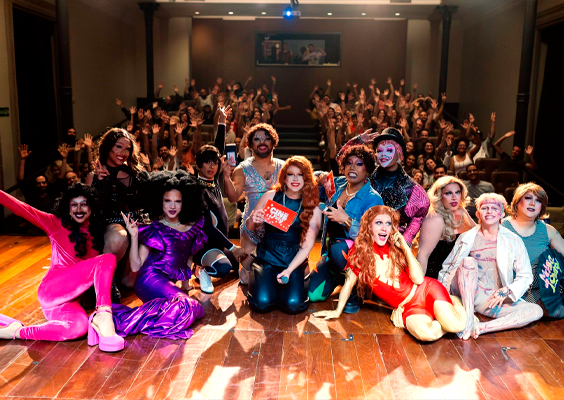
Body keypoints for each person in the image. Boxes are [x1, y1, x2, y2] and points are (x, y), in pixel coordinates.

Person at [314, 206, 467, 342]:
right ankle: (441, 314)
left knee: (456, 325)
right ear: (368, 226)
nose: (384, 228)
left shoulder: (395, 247)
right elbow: (349, 283)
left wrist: (405, 249)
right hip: (406, 307)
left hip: (426, 290)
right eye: (379, 223)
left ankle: (455, 302)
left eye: (388, 223)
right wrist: (337, 311)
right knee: (425, 334)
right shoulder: (359, 253)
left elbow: (419, 279)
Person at [0, 184, 123, 352]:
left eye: (84, 204)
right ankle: (104, 315)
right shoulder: (56, 223)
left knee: (78, 327)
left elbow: (89, 273)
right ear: (68, 207)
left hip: (68, 301)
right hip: (52, 290)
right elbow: (22, 209)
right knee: (107, 258)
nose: (79, 209)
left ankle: (16, 331)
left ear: (91, 207)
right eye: (74, 204)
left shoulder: (96, 233)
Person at [114, 170, 208, 339]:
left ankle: (158, 308)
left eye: (177, 201)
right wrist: (134, 236)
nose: (172, 206)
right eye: (167, 201)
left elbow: (188, 257)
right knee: (187, 306)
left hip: (168, 283)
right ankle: (128, 320)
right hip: (149, 280)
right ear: (159, 201)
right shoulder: (154, 229)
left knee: (197, 309)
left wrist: (186, 285)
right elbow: (136, 266)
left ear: (185, 202)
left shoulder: (191, 227)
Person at [439, 193, 543, 339]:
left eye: (494, 208)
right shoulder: (466, 238)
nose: (489, 211)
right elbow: (448, 267)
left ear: (501, 213)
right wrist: (440, 297)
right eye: (485, 208)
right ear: (477, 214)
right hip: (469, 294)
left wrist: (506, 291)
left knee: (536, 311)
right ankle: (468, 319)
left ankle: (482, 327)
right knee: (468, 262)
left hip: (493, 300)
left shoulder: (513, 240)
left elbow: (525, 275)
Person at [309, 145, 383, 310]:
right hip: (331, 254)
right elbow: (311, 179)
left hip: (357, 258)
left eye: (359, 164)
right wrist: (320, 176)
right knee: (312, 295)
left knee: (340, 248)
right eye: (349, 163)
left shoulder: (373, 199)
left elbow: (376, 239)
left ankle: (357, 287)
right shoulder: (337, 184)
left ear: (368, 169)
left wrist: (347, 220)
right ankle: (338, 277)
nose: (352, 167)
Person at [245, 156, 322, 314]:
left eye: (300, 174)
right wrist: (254, 219)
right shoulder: (271, 196)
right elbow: (249, 227)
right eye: (291, 174)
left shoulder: (313, 207)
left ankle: (291, 282)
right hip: (267, 256)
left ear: (306, 178)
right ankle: (267, 284)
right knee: (262, 303)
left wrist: (289, 271)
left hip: (293, 259)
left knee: (293, 305)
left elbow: (307, 246)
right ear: (284, 177)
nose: (295, 178)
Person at [337, 127, 429, 245]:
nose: (383, 154)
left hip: (392, 244)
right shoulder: (366, 175)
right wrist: (358, 140)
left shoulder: (412, 189)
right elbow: (342, 159)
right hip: (361, 238)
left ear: (400, 154)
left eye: (389, 150)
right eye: (380, 151)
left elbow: (416, 221)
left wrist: (403, 244)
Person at [223, 123, 285, 283]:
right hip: (252, 228)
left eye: (266, 138)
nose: (262, 142)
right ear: (250, 145)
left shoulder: (284, 167)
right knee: (250, 274)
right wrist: (225, 177)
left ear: (273, 143)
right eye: (257, 139)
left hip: (278, 226)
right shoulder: (242, 169)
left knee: (274, 273)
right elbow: (233, 197)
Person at [86, 128, 144, 299]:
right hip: (106, 224)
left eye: (127, 149)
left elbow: (141, 204)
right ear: (108, 147)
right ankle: (105, 279)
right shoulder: (93, 176)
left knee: (129, 283)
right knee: (119, 236)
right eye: (119, 147)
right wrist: (100, 184)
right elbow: (91, 210)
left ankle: (117, 275)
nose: (123, 153)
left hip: (132, 223)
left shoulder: (133, 175)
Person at [194, 106, 246, 293]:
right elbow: (208, 227)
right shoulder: (197, 188)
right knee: (223, 268)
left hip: (219, 245)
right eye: (207, 162)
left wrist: (223, 121)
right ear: (198, 165)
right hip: (205, 246)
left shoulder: (213, 181)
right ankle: (203, 270)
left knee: (234, 271)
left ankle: (209, 264)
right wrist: (233, 246)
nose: (212, 165)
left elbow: (218, 147)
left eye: (215, 162)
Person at [501, 183, 564, 317]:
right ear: (517, 202)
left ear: (542, 207)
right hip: (508, 288)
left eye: (538, 200)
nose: (533, 203)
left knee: (551, 312)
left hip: (539, 290)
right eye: (528, 198)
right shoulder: (501, 226)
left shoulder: (548, 231)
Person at [418, 176, 476, 280]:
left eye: (457, 192)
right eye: (448, 193)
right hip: (437, 277)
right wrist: (419, 286)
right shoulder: (434, 218)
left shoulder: (461, 211)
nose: (454, 197)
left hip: (460, 274)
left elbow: (478, 234)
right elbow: (423, 255)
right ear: (439, 196)